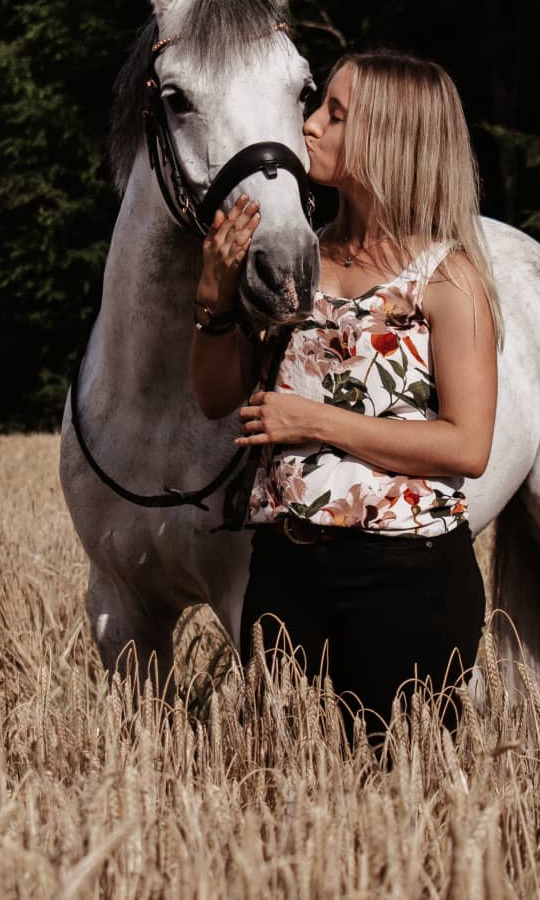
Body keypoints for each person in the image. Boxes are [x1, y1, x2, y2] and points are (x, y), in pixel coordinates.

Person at [189, 50, 500, 738]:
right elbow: (217, 398)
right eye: (316, 106)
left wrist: (314, 420)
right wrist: (213, 302)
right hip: (282, 566)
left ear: (390, 138)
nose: (307, 126)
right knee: (278, 786)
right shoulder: (296, 259)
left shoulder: (448, 280)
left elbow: (466, 446)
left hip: (403, 576)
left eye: (335, 113)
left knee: (397, 793)